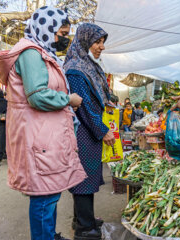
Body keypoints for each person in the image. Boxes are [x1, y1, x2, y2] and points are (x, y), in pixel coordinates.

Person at [0, 6, 86, 240]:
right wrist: (68, 99)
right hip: (38, 137)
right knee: (44, 197)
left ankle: (50, 235)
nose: (64, 39)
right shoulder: (31, 54)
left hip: (46, 135)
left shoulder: (43, 53)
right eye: (62, 34)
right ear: (47, 28)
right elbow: (38, 95)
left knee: (50, 192)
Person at [64, 23, 116, 240]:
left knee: (89, 175)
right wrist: (103, 130)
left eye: (103, 41)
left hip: (88, 130)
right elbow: (84, 106)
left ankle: (84, 218)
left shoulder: (87, 64)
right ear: (85, 41)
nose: (101, 46)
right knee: (84, 178)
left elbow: (95, 98)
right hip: (83, 131)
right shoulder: (76, 68)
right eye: (97, 41)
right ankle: (84, 229)